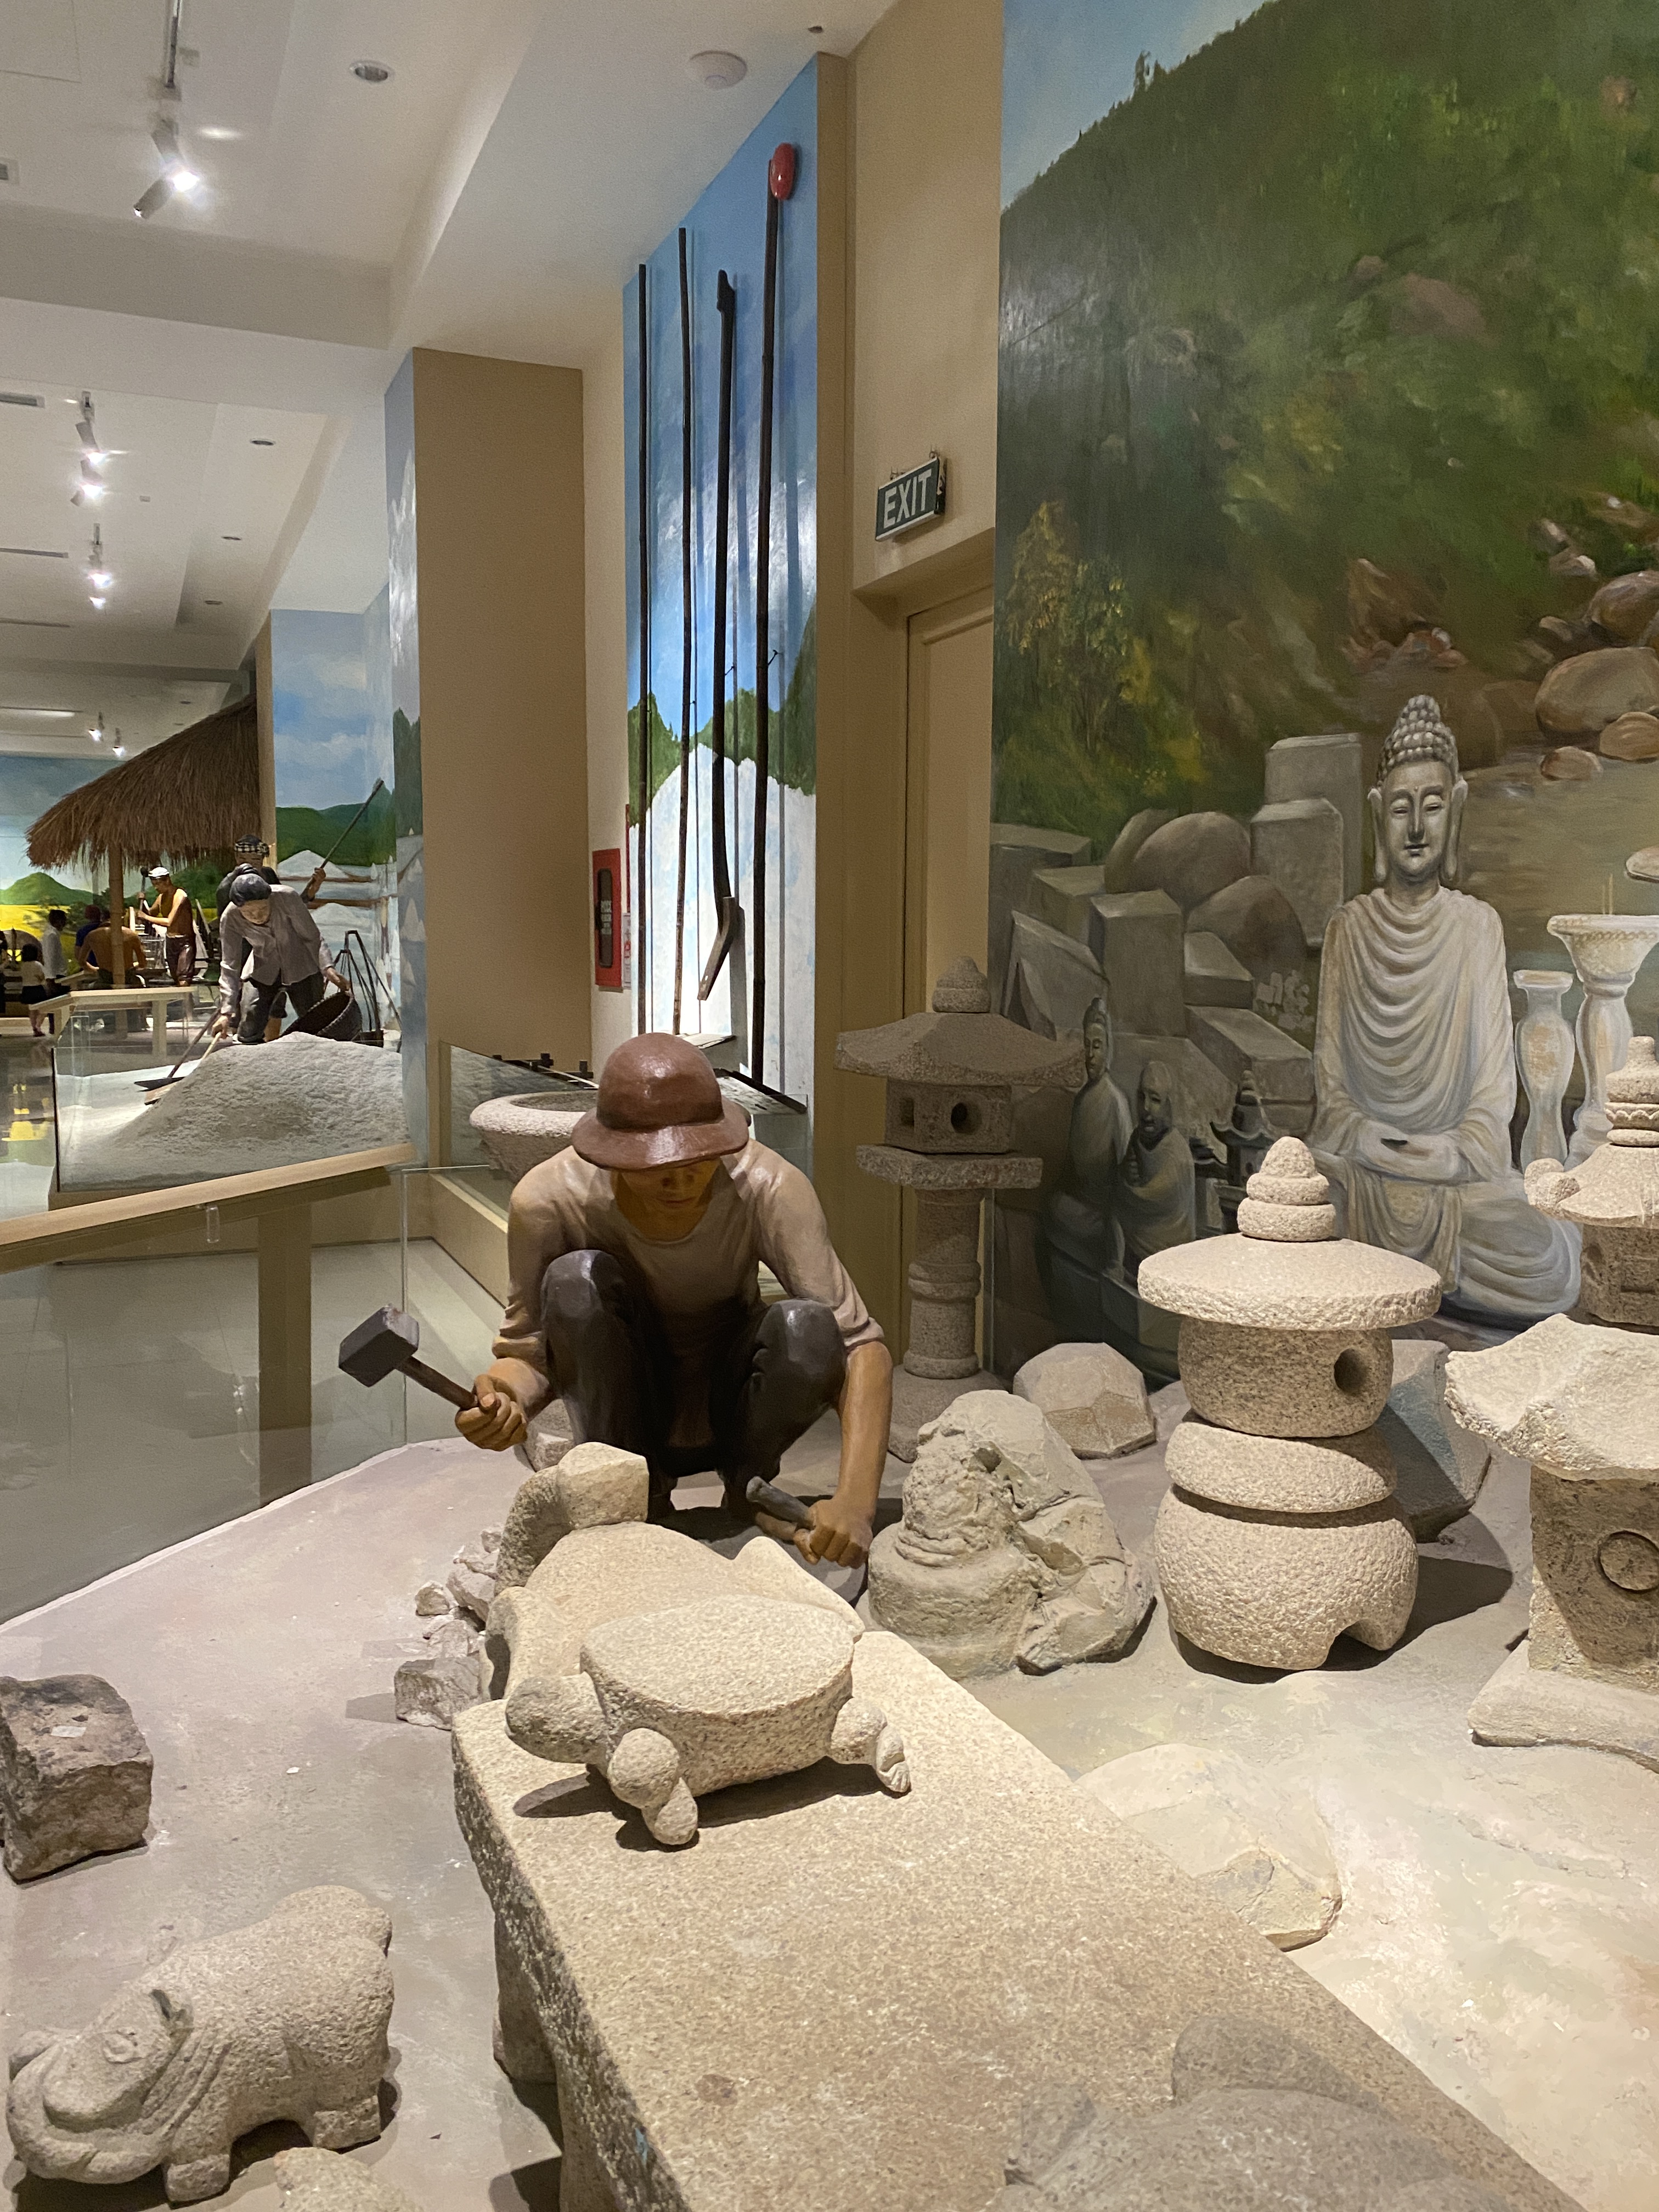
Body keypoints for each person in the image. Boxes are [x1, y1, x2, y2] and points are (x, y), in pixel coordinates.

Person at [457, 1033, 894, 1569]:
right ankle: (630, 1495)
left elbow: (860, 1346)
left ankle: (748, 1489)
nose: (679, 1179)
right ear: (611, 1152)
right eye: (655, 1164)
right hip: (628, 1404)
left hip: (734, 1403)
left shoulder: (768, 1185)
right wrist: (505, 1400)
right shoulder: (549, 1199)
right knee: (575, 1282)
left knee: (807, 1328)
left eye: (698, 1159)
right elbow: (528, 1352)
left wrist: (855, 1503)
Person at [1310, 694, 1578, 1319]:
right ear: (1378, 813)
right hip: (1362, 1171)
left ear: (1455, 810)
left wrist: (1452, 1153)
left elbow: (1492, 1100)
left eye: (1431, 807)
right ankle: (1417, 1278)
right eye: (1400, 808)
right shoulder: (1349, 929)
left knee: (1553, 1255)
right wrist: (1368, 1139)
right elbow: (1331, 1093)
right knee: (1309, 1188)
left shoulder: (1477, 927)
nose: (1415, 829)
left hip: (1455, 1184)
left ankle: (1376, 1275)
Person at [211, 870, 343, 1045]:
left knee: (315, 1022)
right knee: (250, 1022)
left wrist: (328, 968)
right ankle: (252, 1056)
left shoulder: (287, 898)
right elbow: (230, 965)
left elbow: (312, 938)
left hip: (302, 966)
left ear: (270, 899)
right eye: (249, 912)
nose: (257, 916)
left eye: (262, 909)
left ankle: (319, 1055)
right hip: (262, 968)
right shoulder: (230, 917)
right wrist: (226, 1013)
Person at [1110, 1058, 1196, 1276]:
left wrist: (1125, 1186)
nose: (1146, 1108)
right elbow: (1124, 1180)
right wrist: (1125, 1174)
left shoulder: (1177, 1153)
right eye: (1142, 1097)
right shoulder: (1137, 1139)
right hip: (1133, 1255)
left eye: (1155, 1100)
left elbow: (1149, 1198)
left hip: (1169, 1261)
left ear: (1168, 1105)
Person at [140, 867, 196, 983]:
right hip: (171, 942)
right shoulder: (162, 897)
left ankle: (186, 994)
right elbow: (151, 913)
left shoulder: (180, 896)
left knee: (183, 978)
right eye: (154, 884)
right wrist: (143, 901)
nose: (156, 888)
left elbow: (169, 921)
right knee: (175, 977)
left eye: (158, 884)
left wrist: (145, 917)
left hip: (184, 942)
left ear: (167, 880)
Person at [80, 915, 147, 985]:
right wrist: (133, 966)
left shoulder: (91, 936)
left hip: (105, 979)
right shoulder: (131, 934)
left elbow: (82, 962)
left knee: (89, 986)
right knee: (141, 981)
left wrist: (96, 970)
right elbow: (143, 963)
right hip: (128, 978)